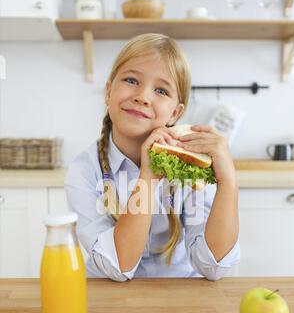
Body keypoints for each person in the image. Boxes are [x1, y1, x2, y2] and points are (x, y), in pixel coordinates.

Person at [64, 33, 240, 281]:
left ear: (175, 113)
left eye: (161, 90)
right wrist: (148, 177)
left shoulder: (190, 167)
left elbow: (214, 266)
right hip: (109, 301)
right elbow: (118, 266)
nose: (143, 96)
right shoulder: (84, 170)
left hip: (179, 300)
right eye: (131, 80)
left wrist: (228, 182)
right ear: (108, 92)